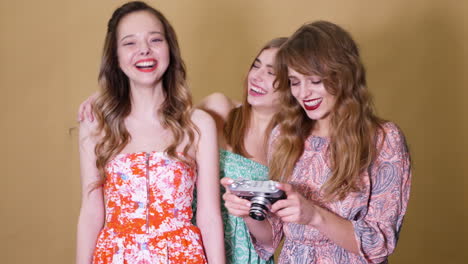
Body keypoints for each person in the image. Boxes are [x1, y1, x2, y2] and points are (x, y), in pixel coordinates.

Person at [78, 37, 288, 264]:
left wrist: (247, 212)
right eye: (256, 66)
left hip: (247, 256)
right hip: (186, 247)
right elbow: (157, 118)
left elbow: (271, 240)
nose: (257, 77)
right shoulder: (218, 109)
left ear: (292, 84)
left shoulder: (289, 148)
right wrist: (109, 99)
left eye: (271, 73)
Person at [222, 21, 412, 264]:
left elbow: (379, 244)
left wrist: (315, 216)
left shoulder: (383, 138)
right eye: (295, 81)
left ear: (342, 76)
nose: (303, 93)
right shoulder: (283, 136)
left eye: (314, 80)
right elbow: (273, 238)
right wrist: (249, 214)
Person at [76, 1, 225, 263]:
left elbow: (210, 216)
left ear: (170, 49)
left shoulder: (199, 124)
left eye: (155, 39)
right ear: (116, 57)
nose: (144, 49)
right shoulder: (96, 125)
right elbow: (90, 213)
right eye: (130, 43)